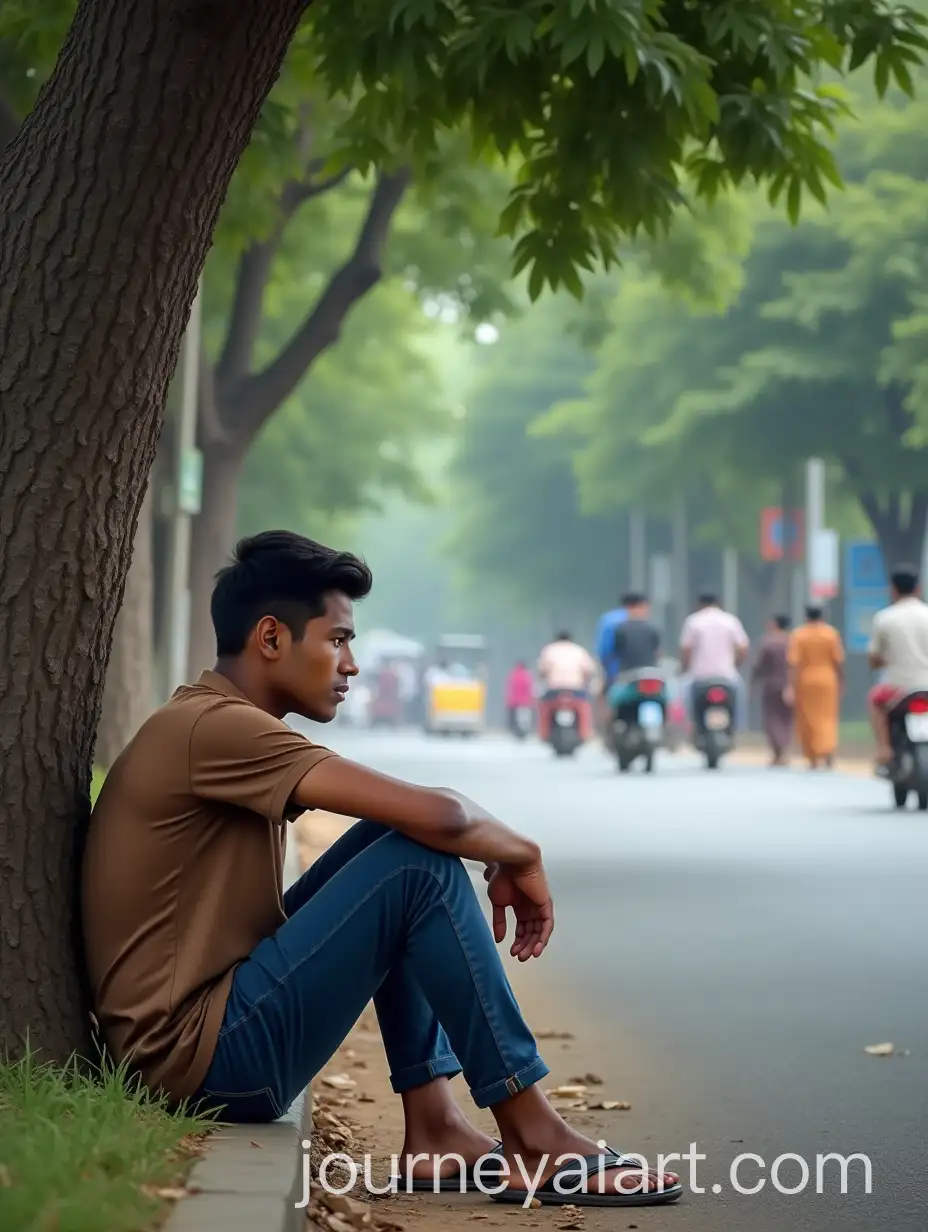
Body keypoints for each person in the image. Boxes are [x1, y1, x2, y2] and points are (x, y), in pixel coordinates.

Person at [81, 531, 679, 1207]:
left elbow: (426, 820)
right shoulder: (214, 729)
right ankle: (533, 1137)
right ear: (271, 638)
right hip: (205, 1061)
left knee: (399, 846)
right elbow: (446, 818)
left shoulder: (211, 721)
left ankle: (437, 1129)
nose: (352, 665)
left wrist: (495, 847)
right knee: (418, 866)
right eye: (337, 640)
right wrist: (523, 851)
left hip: (209, 1036)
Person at [867, 564, 928, 772]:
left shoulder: (885, 618)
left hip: (898, 688)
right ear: (918, 589)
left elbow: (874, 657)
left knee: (875, 701)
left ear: (892, 590)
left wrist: (884, 661)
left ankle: (884, 749)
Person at [784, 605, 844, 770]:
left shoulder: (798, 634)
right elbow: (838, 661)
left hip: (806, 681)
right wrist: (842, 681)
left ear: (806, 616)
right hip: (828, 680)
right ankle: (828, 749)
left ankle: (813, 756)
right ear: (822, 616)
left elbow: (792, 663)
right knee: (828, 716)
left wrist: (789, 685)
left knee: (808, 718)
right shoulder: (831, 634)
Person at [678, 591, 750, 723]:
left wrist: (684, 668)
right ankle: (738, 727)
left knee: (683, 695)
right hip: (727, 676)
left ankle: (689, 726)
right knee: (740, 698)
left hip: (699, 677)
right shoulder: (730, 621)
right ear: (718, 603)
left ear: (699, 604)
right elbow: (743, 646)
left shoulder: (694, 621)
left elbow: (686, 649)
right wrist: (735, 664)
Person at [752, 615, 793, 766]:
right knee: (786, 719)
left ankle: (777, 752)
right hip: (789, 684)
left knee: (771, 718)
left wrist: (754, 683)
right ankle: (784, 750)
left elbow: (758, 665)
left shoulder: (767, 642)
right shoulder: (792, 641)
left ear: (775, 624)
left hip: (770, 685)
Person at [608, 595, 662, 708]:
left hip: (628, 675)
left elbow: (616, 653)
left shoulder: (620, 629)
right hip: (651, 674)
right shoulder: (653, 628)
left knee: (612, 702)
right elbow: (658, 653)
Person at [504, 661, 535, 734]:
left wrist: (508, 700)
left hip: (515, 701)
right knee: (526, 717)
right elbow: (531, 688)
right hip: (525, 701)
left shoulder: (513, 674)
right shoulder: (528, 675)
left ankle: (513, 728)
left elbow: (509, 688)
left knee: (513, 718)